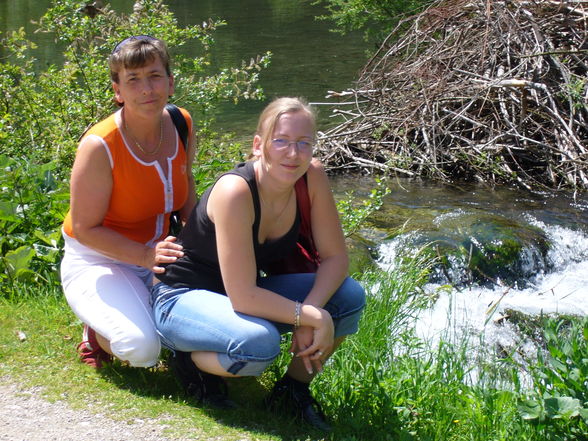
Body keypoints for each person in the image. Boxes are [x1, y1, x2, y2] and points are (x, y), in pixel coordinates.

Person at [151, 97, 366, 431]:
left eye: (303, 143)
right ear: (258, 145)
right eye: (280, 141)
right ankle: (189, 360)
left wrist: (312, 308)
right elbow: (243, 297)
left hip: (237, 294)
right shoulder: (236, 191)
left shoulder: (312, 177)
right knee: (259, 346)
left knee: (349, 298)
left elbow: (336, 258)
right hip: (180, 295)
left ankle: (292, 392)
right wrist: (311, 315)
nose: (293, 153)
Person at [60, 35, 196, 369]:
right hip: (99, 259)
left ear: (170, 82)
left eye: (154, 76)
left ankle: (140, 307)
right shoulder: (99, 145)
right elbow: (84, 228)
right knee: (143, 350)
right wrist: (145, 256)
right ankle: (94, 334)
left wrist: (200, 243)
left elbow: (187, 186)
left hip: (161, 254)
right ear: (118, 91)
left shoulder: (181, 123)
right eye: (133, 80)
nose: (147, 89)